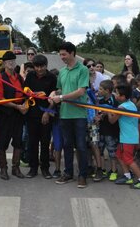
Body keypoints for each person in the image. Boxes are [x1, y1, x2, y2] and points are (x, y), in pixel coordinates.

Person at [49, 42, 89, 189]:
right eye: (60, 54)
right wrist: (54, 94)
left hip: (79, 115)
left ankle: (83, 175)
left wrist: (61, 98)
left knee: (81, 146)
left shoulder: (83, 70)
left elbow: (81, 92)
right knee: (67, 145)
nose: (61, 57)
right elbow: (60, 89)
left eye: (64, 54)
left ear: (72, 53)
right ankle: (68, 173)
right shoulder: (63, 71)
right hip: (65, 114)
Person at [108, 84, 140, 189]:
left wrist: (108, 112)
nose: (115, 95)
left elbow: (112, 121)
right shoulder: (131, 104)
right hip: (128, 136)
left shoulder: (122, 107)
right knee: (119, 155)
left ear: (123, 97)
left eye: (117, 93)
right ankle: (127, 176)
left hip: (128, 138)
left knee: (128, 159)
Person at [0, 51, 27, 180]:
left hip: (18, 114)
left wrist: (25, 104)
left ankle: (16, 167)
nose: (11, 63)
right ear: (4, 63)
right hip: (5, 114)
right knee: (2, 142)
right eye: (8, 61)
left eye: (13, 61)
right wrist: (16, 106)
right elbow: (0, 98)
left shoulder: (19, 77)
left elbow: (25, 94)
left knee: (18, 141)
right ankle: (3, 169)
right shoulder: (0, 77)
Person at [24, 54, 57, 179]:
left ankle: (45, 168)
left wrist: (47, 113)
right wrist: (32, 93)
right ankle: (33, 168)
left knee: (45, 142)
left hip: (46, 114)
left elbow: (54, 98)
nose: (39, 69)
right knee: (32, 142)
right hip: (31, 114)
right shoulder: (30, 75)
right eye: (36, 67)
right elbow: (25, 90)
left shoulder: (52, 78)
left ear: (46, 66)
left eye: (41, 67)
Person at [96, 80, 120, 182]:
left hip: (111, 131)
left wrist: (108, 113)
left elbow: (116, 115)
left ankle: (114, 171)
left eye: (101, 89)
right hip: (101, 129)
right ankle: (102, 169)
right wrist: (99, 116)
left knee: (112, 152)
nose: (99, 90)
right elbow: (98, 112)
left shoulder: (115, 100)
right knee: (100, 150)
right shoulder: (100, 100)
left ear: (107, 90)